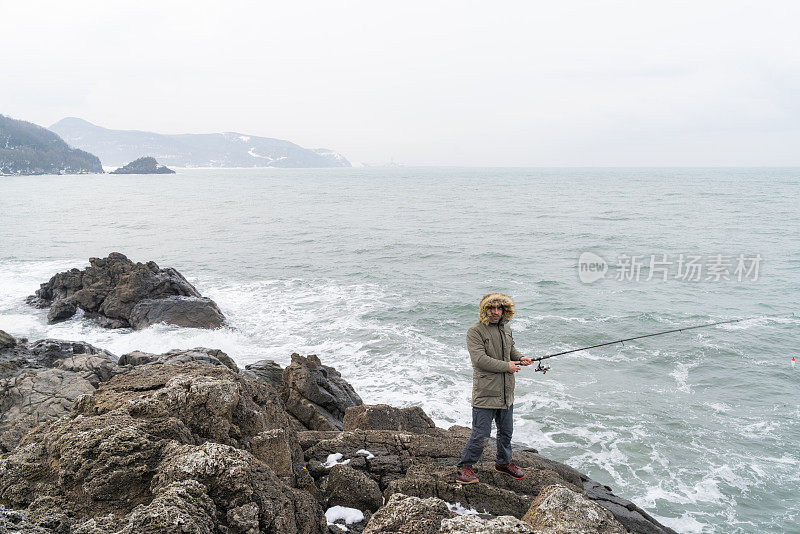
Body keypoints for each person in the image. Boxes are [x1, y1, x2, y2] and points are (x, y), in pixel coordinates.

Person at [456, 293, 532, 484]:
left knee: (506, 432)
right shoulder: (475, 331)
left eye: (500, 308)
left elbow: (511, 351)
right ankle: (465, 467)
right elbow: (480, 360)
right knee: (481, 433)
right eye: (492, 308)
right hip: (486, 391)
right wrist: (507, 366)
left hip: (506, 392)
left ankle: (503, 463)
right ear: (485, 310)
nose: (496, 312)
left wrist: (521, 357)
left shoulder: (506, 328)